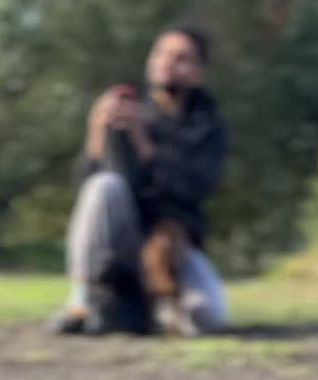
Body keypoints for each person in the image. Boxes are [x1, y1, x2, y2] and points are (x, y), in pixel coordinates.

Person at [50, 24, 228, 336]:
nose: (167, 61)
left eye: (181, 57)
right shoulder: (131, 112)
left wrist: (144, 144)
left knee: (208, 318)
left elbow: (193, 190)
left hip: (173, 244)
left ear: (199, 72)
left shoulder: (208, 126)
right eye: (160, 52)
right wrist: (96, 132)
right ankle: (81, 300)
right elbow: (88, 194)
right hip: (126, 240)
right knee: (105, 185)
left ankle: (154, 305)